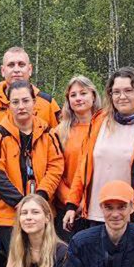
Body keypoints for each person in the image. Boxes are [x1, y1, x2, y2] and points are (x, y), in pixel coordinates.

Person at [62, 67, 134, 245]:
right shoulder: (99, 121)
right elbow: (83, 166)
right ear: (110, 94)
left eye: (128, 90)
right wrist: (72, 204)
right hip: (97, 215)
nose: (122, 96)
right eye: (116, 91)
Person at [0, 79, 65, 267]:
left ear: (34, 103)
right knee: (14, 264)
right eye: (15, 102)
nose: (21, 106)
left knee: (40, 265)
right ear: (9, 104)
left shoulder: (49, 133)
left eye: (25, 101)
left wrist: (39, 199)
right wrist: (21, 203)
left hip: (42, 211)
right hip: (8, 214)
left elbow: (56, 166)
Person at [54, 75, 103, 238]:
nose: (78, 98)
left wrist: (86, 200)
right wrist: (71, 201)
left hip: (98, 207)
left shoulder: (106, 128)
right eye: (73, 95)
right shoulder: (59, 132)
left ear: (93, 95)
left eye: (83, 93)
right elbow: (54, 170)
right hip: (66, 207)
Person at [0, 46, 61, 128]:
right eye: (11, 65)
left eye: (21, 65)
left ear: (30, 69)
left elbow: (61, 138)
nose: (16, 70)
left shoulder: (47, 104)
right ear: (3, 71)